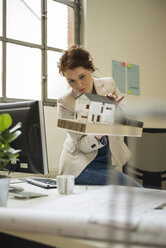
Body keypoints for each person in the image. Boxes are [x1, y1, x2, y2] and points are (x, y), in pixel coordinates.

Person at [57, 46, 142, 187]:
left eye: (82, 76)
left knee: (134, 194)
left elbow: (127, 124)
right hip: (80, 166)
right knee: (135, 190)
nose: (78, 84)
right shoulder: (65, 102)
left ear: (91, 69)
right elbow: (83, 145)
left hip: (106, 162)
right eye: (71, 81)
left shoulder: (108, 85)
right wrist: (100, 127)